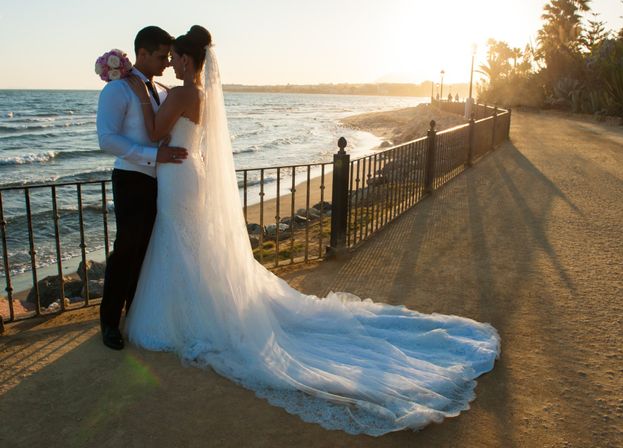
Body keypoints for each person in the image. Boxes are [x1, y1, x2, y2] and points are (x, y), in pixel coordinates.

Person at [125, 25, 500, 436]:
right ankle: (197, 308)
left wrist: (141, 91)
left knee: (184, 242)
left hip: (178, 177)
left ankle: (187, 314)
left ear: (188, 59)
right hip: (187, 173)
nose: (171, 63)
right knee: (191, 245)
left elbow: (156, 132)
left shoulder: (181, 93)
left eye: (176, 57)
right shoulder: (202, 94)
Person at [96, 26, 189, 350]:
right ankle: (109, 322)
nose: (166, 62)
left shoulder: (163, 91)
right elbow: (106, 139)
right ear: (143, 53)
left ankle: (136, 313)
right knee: (126, 249)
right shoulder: (117, 90)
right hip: (132, 179)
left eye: (168, 56)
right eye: (162, 56)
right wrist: (153, 155)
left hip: (163, 181)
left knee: (149, 250)